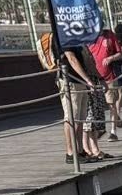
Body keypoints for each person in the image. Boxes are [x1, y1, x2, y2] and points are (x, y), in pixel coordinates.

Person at [40, 30, 104, 163]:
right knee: (71, 117)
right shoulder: (62, 37)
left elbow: (84, 58)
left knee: (80, 118)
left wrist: (96, 78)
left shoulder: (74, 37)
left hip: (79, 81)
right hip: (69, 81)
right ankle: (71, 152)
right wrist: (87, 80)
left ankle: (80, 150)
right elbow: (71, 59)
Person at [89, 24, 122, 135]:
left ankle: (113, 131)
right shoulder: (87, 37)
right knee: (95, 106)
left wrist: (110, 58)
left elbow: (120, 54)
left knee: (111, 103)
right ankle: (99, 129)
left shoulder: (109, 35)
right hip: (93, 77)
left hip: (109, 76)